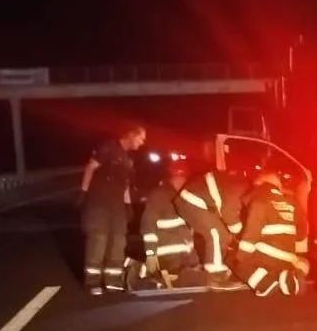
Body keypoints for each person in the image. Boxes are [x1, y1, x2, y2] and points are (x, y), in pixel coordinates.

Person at [77, 123, 146, 295]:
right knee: (98, 240)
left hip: (117, 207)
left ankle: (112, 280)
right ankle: (92, 282)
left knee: (118, 242)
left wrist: (128, 205)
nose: (142, 143)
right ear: (131, 135)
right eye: (140, 138)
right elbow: (90, 167)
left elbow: (125, 185)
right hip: (99, 203)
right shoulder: (109, 148)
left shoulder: (128, 160)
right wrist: (83, 191)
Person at [229, 163, 309, 297]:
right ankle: (290, 277)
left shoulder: (259, 200)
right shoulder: (290, 201)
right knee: (303, 262)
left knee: (235, 261)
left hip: (269, 257)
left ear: (259, 183)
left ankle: (265, 284)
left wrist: (240, 257)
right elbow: (301, 233)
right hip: (289, 258)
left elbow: (251, 235)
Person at [173, 167, 245, 290]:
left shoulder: (239, 186)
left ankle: (219, 267)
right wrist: (238, 231)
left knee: (224, 235)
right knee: (215, 233)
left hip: (198, 202)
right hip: (190, 200)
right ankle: (215, 276)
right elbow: (229, 213)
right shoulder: (239, 189)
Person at [136, 158, 200, 287]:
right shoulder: (159, 195)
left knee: (194, 281)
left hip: (186, 255)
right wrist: (151, 254)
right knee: (180, 280)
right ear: (171, 178)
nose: (181, 181)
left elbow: (187, 229)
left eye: (183, 178)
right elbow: (148, 225)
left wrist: (193, 257)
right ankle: (145, 273)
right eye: (178, 178)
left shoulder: (183, 196)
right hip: (168, 255)